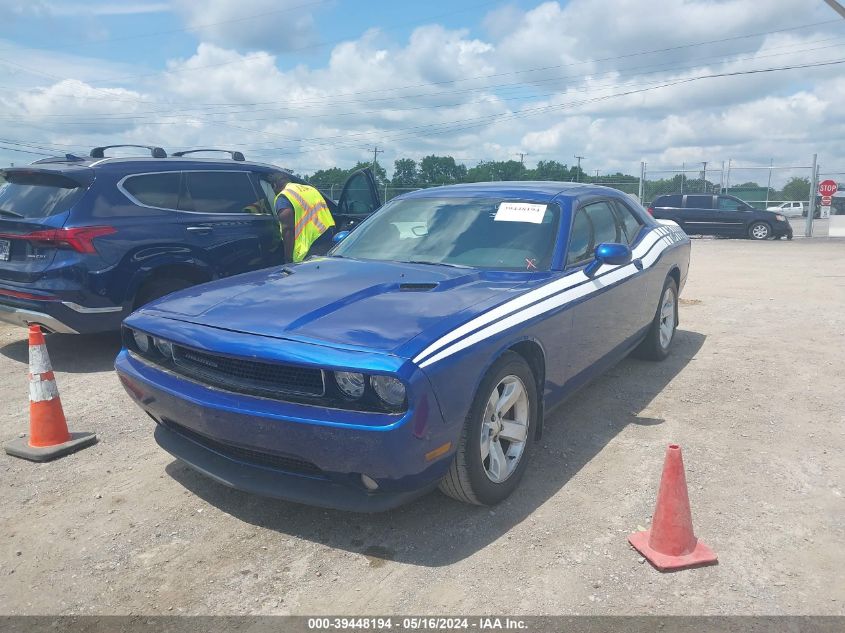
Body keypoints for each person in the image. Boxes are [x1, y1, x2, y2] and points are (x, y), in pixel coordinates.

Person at [269, 173, 336, 263]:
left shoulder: (283, 197)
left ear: (274, 185)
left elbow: (287, 228)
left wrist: (288, 258)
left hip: (309, 246)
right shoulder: (311, 189)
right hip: (328, 238)